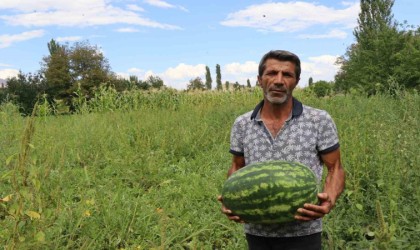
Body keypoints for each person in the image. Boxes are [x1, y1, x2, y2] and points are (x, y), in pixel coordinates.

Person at [218, 50, 345, 250]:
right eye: (271, 73)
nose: (278, 80)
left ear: (296, 81)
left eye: (287, 75)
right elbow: (237, 166)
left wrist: (329, 200)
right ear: (260, 79)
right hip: (257, 229)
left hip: (305, 229)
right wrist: (231, 199)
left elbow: (335, 167)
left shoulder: (318, 120)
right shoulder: (242, 124)